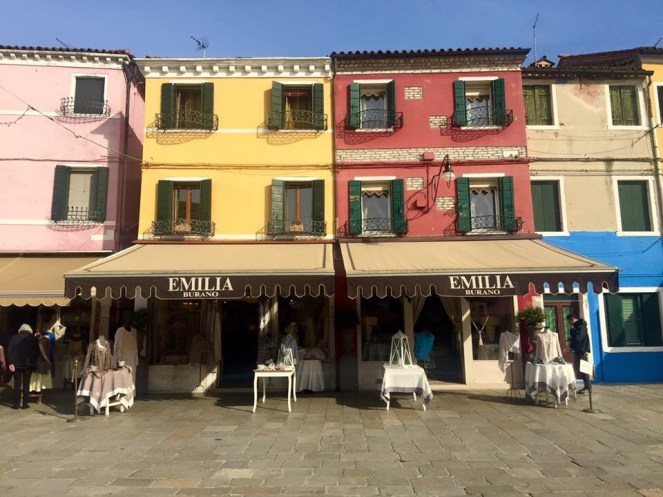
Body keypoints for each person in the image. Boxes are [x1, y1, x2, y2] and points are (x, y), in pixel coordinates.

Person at [6, 323, 40, 409]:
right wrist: (32, 361)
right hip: (28, 365)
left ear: (20, 330)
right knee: (26, 384)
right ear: (30, 330)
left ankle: (16, 404)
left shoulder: (14, 338)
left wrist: (11, 363)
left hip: (16, 365)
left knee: (17, 384)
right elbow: (37, 352)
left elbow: (9, 351)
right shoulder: (33, 339)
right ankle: (25, 404)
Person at [568, 314, 591, 393]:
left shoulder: (581, 327)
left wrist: (572, 331)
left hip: (582, 351)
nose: (569, 323)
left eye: (570, 321)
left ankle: (588, 388)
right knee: (581, 370)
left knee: (584, 370)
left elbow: (578, 338)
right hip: (578, 351)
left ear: (573, 319)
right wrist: (572, 347)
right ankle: (586, 386)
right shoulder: (577, 327)